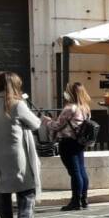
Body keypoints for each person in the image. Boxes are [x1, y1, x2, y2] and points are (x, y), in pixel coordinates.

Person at [0, 72, 43, 218]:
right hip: (17, 154)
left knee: (2, 191)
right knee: (27, 190)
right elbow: (35, 124)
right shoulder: (16, 104)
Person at [45, 82, 93, 211]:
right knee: (81, 170)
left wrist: (47, 121)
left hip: (68, 142)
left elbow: (57, 126)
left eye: (67, 91)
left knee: (74, 172)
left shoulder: (69, 108)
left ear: (71, 93)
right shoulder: (85, 108)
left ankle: (75, 201)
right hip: (79, 142)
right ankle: (84, 199)